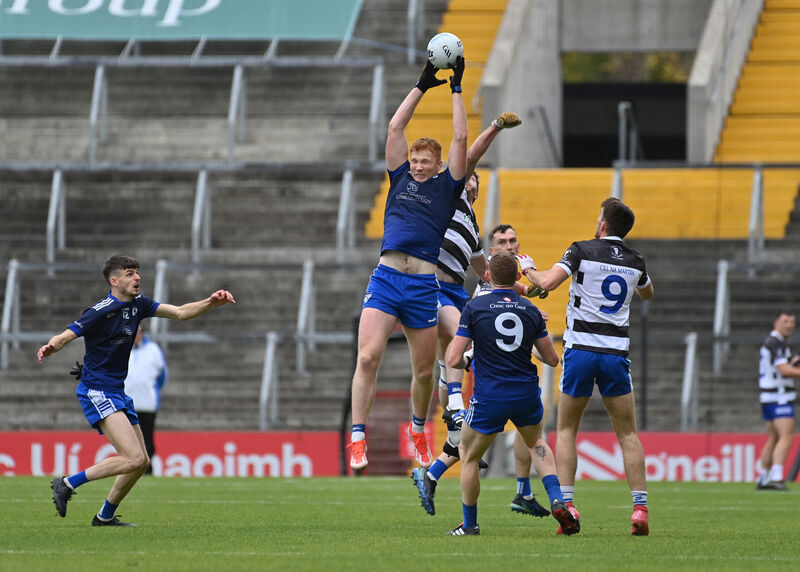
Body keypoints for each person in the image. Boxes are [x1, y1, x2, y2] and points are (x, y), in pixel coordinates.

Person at [38, 254, 235, 526]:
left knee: (141, 462)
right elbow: (67, 334)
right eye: (130, 273)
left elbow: (179, 312)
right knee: (131, 457)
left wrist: (210, 302)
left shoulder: (138, 305)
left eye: (137, 272)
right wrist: (51, 346)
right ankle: (68, 483)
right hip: (97, 390)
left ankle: (104, 516)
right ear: (114, 280)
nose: (137, 277)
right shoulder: (100, 311)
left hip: (117, 392)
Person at [348, 56, 468, 471]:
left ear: (437, 167)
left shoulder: (446, 188)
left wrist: (455, 89)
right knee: (367, 357)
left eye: (424, 162)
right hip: (386, 279)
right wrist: (422, 84)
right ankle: (358, 437)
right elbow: (395, 128)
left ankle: (419, 429)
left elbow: (459, 137)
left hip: (422, 287)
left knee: (421, 373)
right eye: (414, 160)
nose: (417, 166)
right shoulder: (399, 177)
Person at [524, 197, 654, 536]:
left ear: (602, 225)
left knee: (567, 429)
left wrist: (527, 268)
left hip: (581, 350)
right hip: (615, 353)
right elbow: (648, 293)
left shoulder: (581, 249)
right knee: (628, 433)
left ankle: (567, 504)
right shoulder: (636, 261)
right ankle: (639, 509)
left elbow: (549, 282)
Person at [412, 219, 551, 518]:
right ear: (490, 253)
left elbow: (529, 295)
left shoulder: (508, 284)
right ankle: (437, 477)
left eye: (513, 241)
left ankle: (522, 490)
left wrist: (531, 293)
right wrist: (531, 283)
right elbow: (468, 344)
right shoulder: (488, 289)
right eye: (502, 243)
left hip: (505, 375)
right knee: (474, 444)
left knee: (501, 438)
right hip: (491, 375)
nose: (510, 246)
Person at [443, 250, 579, 535]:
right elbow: (553, 360)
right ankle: (557, 499)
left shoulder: (475, 308)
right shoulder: (530, 310)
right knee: (537, 443)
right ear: (517, 278)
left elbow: (454, 359)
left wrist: (471, 357)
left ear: (488, 276)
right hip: (527, 395)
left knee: (468, 454)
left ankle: (469, 525)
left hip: (490, 396)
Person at [756, 311, 798, 491]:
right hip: (779, 396)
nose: (789, 325)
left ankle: (764, 478)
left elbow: (782, 365)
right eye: (785, 321)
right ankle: (776, 477)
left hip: (768, 396)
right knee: (786, 436)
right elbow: (784, 370)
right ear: (776, 323)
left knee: (773, 437)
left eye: (792, 322)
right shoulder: (777, 343)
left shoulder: (774, 342)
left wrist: (792, 361)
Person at [124, 327, 167, 475]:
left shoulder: (153, 350)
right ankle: (131, 467)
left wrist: (152, 391)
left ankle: (147, 468)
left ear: (142, 333)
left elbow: (162, 375)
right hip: (127, 404)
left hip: (147, 404)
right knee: (128, 439)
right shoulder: (123, 349)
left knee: (147, 438)